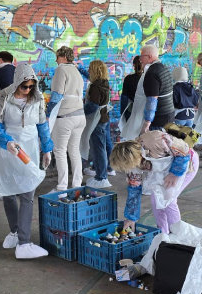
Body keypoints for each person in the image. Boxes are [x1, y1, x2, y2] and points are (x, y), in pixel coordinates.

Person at [0, 63, 54, 259]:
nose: (28, 90)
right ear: (17, 82)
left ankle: (24, 243)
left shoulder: (37, 97)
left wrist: (47, 149)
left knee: (27, 192)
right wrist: (6, 141)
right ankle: (15, 232)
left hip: (29, 148)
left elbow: (42, 124)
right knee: (8, 192)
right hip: (9, 149)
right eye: (25, 86)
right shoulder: (4, 96)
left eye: (31, 86)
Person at [110, 129, 199, 235]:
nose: (131, 169)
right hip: (163, 170)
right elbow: (134, 192)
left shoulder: (156, 140)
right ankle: (162, 233)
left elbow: (184, 150)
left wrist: (175, 173)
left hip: (185, 165)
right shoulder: (132, 164)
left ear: (131, 159)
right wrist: (131, 218)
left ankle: (177, 234)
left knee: (168, 200)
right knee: (156, 200)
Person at [46, 46, 85, 191]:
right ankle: (77, 185)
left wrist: (48, 114)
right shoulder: (76, 71)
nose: (56, 60)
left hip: (65, 117)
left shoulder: (61, 70)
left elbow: (57, 94)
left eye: (57, 57)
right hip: (80, 116)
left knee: (60, 151)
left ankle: (62, 187)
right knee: (74, 151)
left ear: (63, 57)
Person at [119, 44, 174, 140]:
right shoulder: (163, 68)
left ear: (149, 56)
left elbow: (152, 100)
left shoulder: (152, 73)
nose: (140, 59)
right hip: (168, 114)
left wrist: (147, 122)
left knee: (153, 146)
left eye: (141, 56)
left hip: (158, 118)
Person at [82, 60, 112, 188]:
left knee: (98, 149)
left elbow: (93, 106)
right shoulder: (104, 82)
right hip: (104, 118)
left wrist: (80, 110)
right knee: (102, 148)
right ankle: (101, 174)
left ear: (95, 70)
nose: (88, 70)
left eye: (90, 68)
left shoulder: (95, 86)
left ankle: (101, 177)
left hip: (97, 121)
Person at [119, 56, 142, 122]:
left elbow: (124, 98)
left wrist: (122, 113)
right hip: (144, 111)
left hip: (131, 110)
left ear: (134, 65)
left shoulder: (128, 79)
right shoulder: (148, 78)